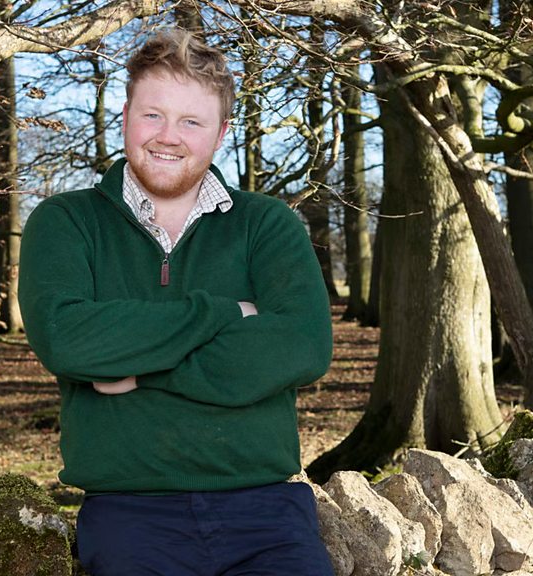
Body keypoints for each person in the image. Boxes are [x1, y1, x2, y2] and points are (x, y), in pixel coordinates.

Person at [18, 28, 335, 575]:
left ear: (221, 133)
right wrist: (226, 313)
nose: (168, 137)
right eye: (153, 115)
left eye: (192, 121)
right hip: (128, 515)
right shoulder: (65, 222)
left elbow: (304, 346)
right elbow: (67, 339)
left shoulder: (267, 225)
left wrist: (137, 371)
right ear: (125, 116)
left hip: (268, 512)